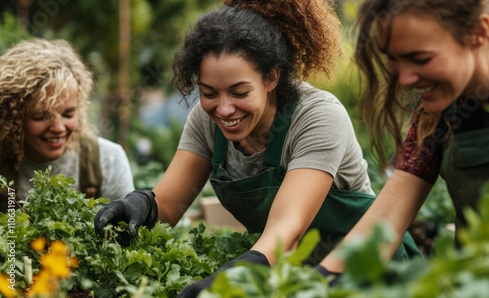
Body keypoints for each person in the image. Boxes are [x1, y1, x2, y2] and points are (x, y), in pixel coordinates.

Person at [94, 0, 421, 296]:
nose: (223, 109)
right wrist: (140, 206)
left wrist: (228, 283)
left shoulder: (317, 117)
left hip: (375, 277)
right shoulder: (207, 121)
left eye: (239, 92)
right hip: (299, 281)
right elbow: (169, 203)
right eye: (209, 92)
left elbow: (286, 230)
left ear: (272, 78)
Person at [317, 0, 489, 275]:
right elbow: (386, 220)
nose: (404, 79)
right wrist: (321, 282)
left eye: (421, 58)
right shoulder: (436, 114)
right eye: (393, 57)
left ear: (478, 32)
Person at [0, 38, 134, 212]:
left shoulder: (107, 161)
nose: (59, 128)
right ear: (13, 116)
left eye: (68, 114)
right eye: (41, 116)